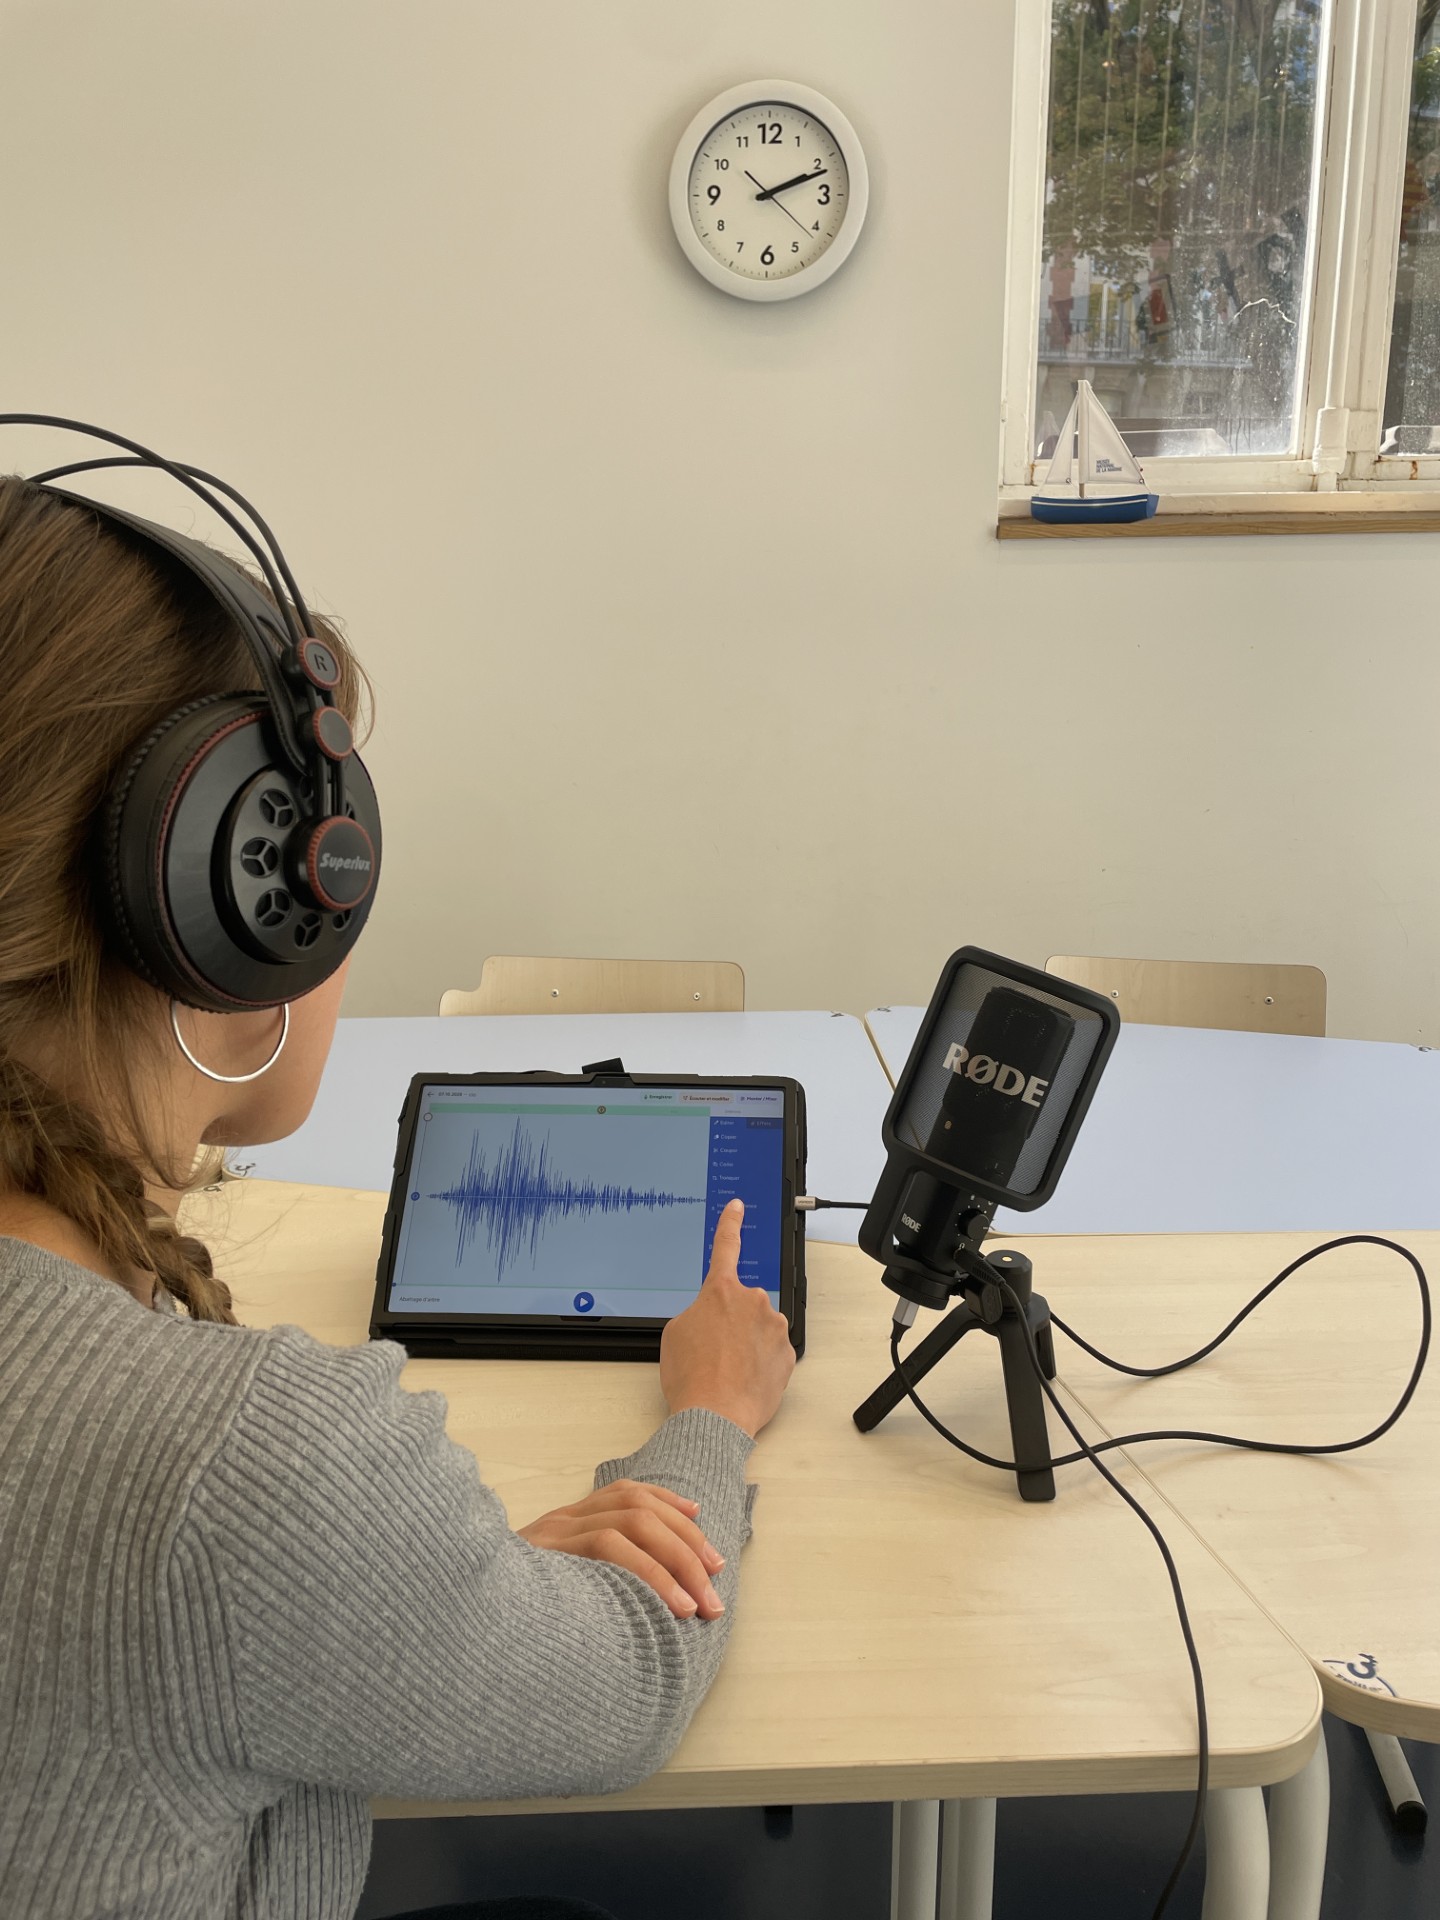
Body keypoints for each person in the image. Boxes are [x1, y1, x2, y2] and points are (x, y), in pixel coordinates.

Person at [0, 471, 797, 1920]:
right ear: (243, 912)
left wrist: (405, 1588)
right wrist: (711, 1415)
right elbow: (625, 1680)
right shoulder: (252, 1470)